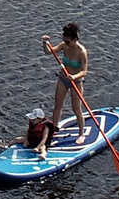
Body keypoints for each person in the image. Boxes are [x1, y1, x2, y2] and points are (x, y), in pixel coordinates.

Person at [39, 24, 91, 155]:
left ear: (75, 39)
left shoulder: (82, 52)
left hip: (76, 82)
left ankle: (81, 134)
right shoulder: (64, 45)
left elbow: (84, 71)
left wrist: (74, 76)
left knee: (76, 109)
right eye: (64, 39)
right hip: (63, 79)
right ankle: (54, 129)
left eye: (68, 41)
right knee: (58, 105)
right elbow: (48, 52)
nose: (65, 43)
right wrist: (45, 43)